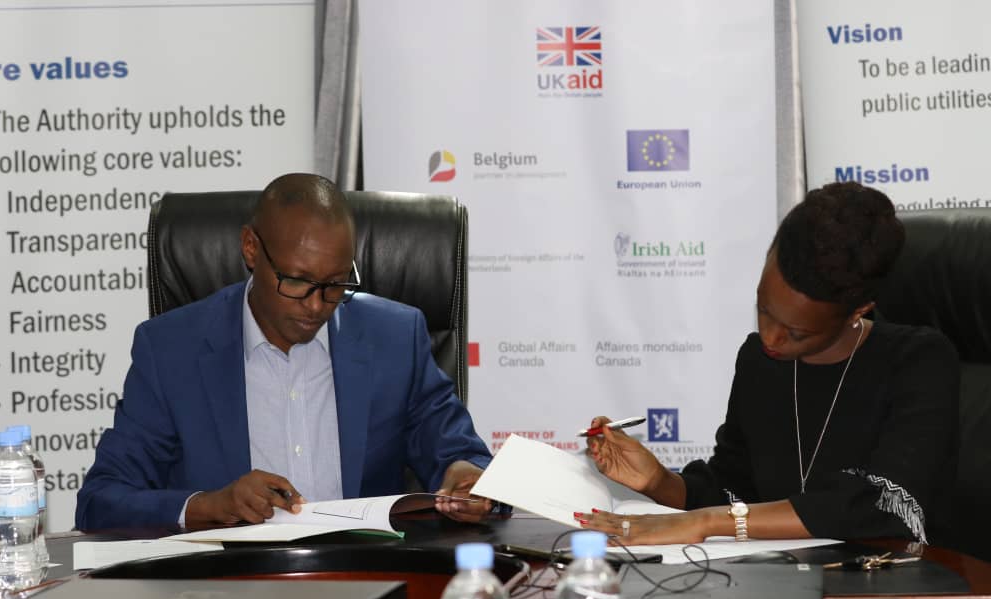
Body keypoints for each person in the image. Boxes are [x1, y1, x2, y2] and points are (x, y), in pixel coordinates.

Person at [76, 173, 492, 530]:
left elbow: (462, 455)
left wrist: (466, 478)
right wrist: (211, 505)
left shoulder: (395, 339)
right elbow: (101, 500)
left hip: (364, 581)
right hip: (228, 592)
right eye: (297, 281)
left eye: (335, 283)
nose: (316, 305)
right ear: (251, 248)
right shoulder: (172, 351)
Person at [577, 182, 959, 545]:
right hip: (781, 582)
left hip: (888, 592)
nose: (771, 337)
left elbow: (880, 504)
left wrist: (707, 522)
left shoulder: (919, 362)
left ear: (856, 311)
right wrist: (659, 481)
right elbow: (735, 486)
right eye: (763, 310)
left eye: (796, 333)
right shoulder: (760, 361)